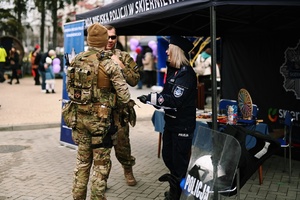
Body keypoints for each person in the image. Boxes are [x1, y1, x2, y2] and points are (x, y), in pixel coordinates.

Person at [63, 22, 131, 200]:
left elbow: (69, 88)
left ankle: (78, 197)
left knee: (82, 162)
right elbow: (124, 96)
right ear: (102, 40)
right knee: (100, 165)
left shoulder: (76, 59)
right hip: (100, 124)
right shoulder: (107, 63)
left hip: (79, 119)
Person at [137, 35, 197, 200]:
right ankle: (175, 188)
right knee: (168, 157)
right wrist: (153, 99)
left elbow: (175, 101)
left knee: (179, 163)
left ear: (176, 51)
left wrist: (151, 98)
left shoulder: (186, 74)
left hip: (182, 126)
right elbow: (166, 96)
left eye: (169, 49)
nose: (166, 52)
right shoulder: (173, 70)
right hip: (171, 123)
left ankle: (178, 194)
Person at [104, 24, 140, 186]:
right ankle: (101, 179)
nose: (110, 40)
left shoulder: (123, 56)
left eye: (113, 37)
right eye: (107, 37)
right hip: (100, 112)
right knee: (101, 149)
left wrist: (120, 64)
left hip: (119, 112)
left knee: (122, 145)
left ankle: (128, 169)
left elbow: (134, 80)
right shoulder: (93, 57)